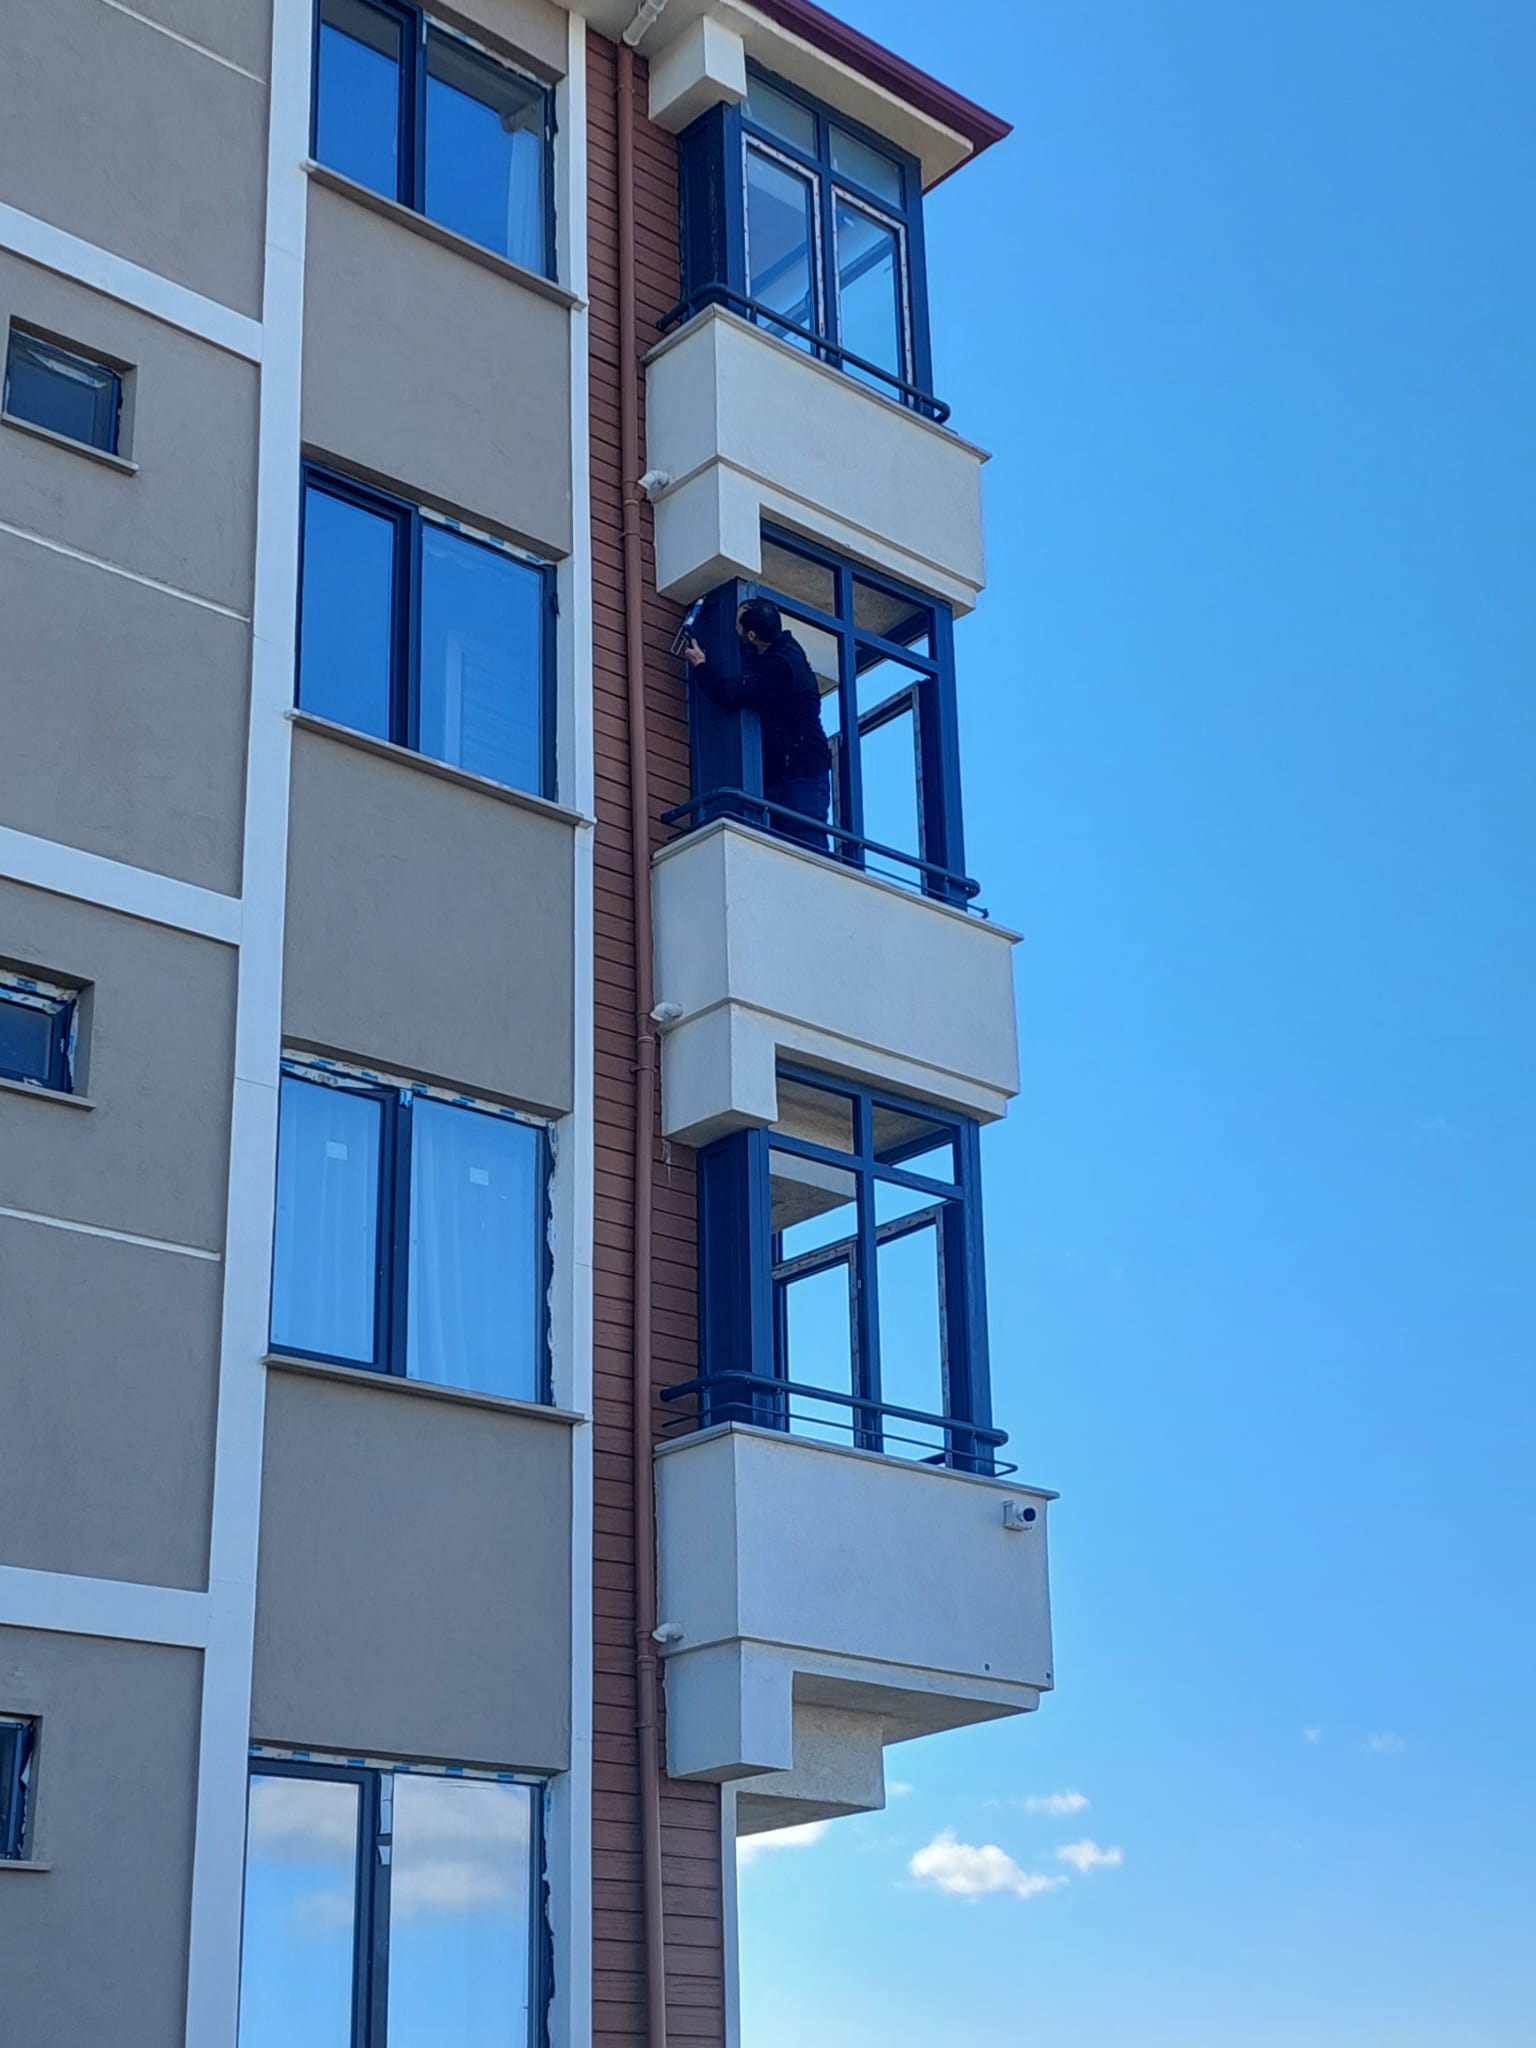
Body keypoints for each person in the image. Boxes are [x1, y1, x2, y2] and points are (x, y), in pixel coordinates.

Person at [683, 597, 832, 853]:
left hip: (801, 771)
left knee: (806, 843)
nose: (734, 630)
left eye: (737, 626)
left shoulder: (779, 667)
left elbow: (729, 694)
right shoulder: (784, 650)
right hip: (793, 767)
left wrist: (700, 666)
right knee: (784, 841)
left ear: (752, 635)